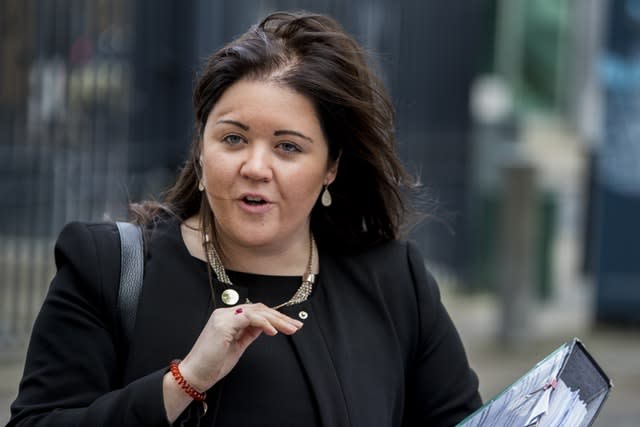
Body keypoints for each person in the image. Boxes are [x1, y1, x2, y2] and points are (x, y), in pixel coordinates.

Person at [9, 10, 482, 427]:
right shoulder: (109, 268)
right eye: (233, 139)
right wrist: (184, 380)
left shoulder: (393, 281)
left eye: (288, 147)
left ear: (331, 167)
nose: (255, 167)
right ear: (200, 148)